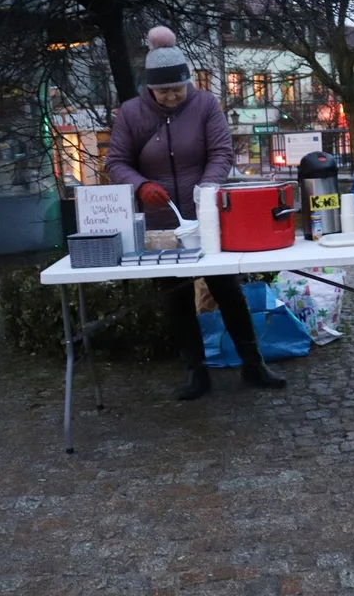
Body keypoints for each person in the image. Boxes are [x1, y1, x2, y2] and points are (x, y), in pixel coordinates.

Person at [106, 26, 287, 401]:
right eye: (164, 92)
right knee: (174, 297)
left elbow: (222, 152)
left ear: (188, 82)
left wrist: (207, 189)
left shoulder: (205, 105)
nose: (172, 97)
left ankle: (253, 364)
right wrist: (141, 185)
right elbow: (116, 162)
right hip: (159, 223)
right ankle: (195, 371)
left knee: (227, 290)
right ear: (150, 90)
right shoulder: (131, 113)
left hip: (207, 217)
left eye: (178, 89)